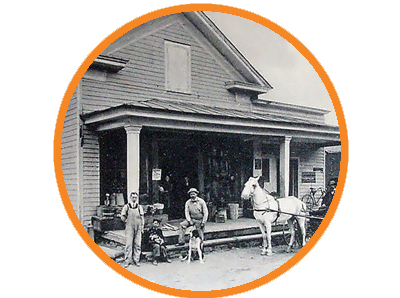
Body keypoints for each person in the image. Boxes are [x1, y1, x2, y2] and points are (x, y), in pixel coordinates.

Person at [120, 192, 144, 268]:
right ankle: (127, 261)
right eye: (133, 197)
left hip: (138, 227)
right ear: (130, 198)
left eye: (135, 197)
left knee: (137, 244)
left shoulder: (139, 207)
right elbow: (122, 216)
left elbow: (142, 217)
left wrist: (142, 227)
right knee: (129, 244)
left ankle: (136, 260)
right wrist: (126, 221)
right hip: (130, 227)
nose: (134, 199)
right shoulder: (126, 206)